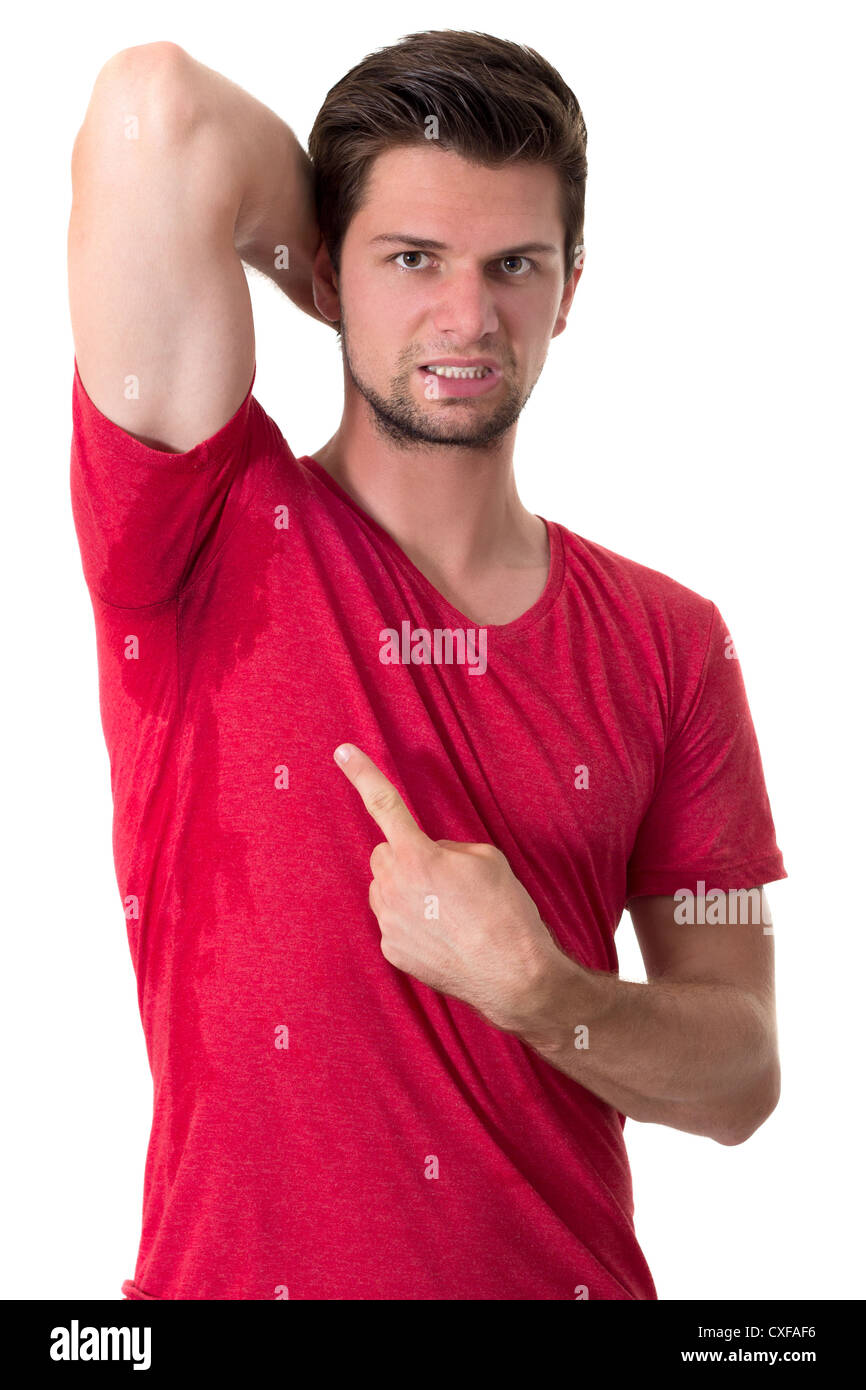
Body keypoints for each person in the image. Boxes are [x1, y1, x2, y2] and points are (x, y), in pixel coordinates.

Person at [67, 30, 786, 1301]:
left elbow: (739, 1075)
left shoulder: (673, 642)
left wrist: (544, 992)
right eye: (413, 259)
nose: (467, 316)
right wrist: (342, 267)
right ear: (329, 272)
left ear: (568, 289)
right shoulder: (200, 529)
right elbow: (151, 112)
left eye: (514, 264)